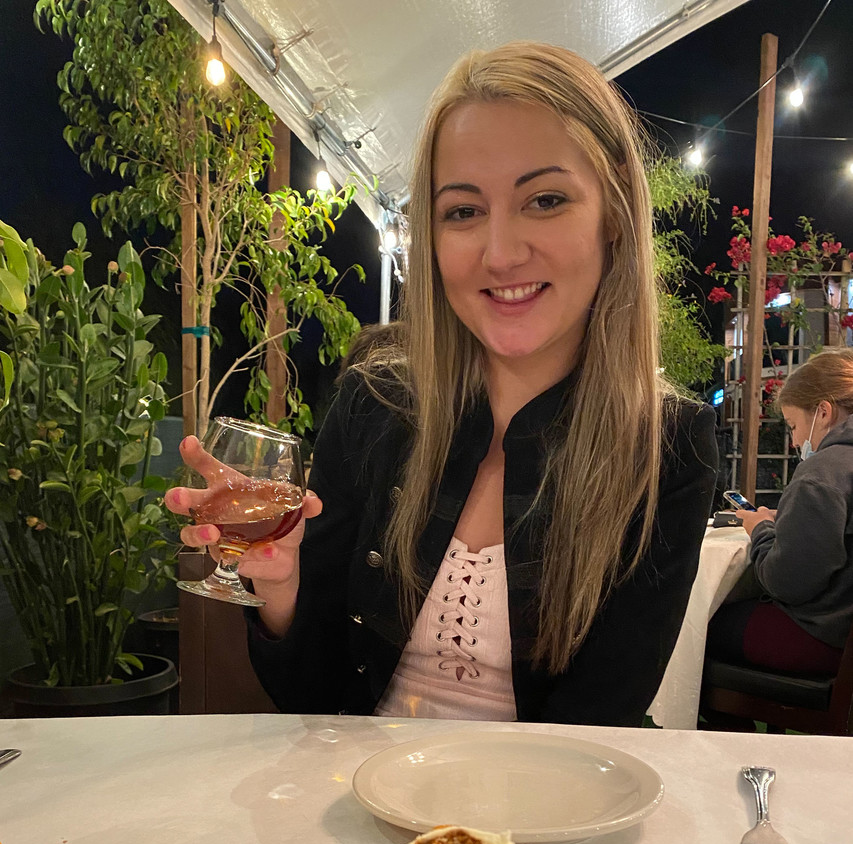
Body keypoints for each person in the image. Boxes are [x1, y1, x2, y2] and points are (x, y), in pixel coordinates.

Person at [167, 42, 717, 726]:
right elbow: (312, 700)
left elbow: (598, 720)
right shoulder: (373, 405)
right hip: (360, 783)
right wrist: (278, 584)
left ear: (615, 213)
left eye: (545, 200)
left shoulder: (667, 446)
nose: (500, 254)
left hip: (548, 793)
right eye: (462, 211)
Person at [707, 348, 853, 675]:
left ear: (823, 412)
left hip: (823, 638)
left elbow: (786, 582)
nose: (794, 441)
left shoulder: (821, 474)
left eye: (793, 425)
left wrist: (760, 528)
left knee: (695, 624)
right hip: (841, 633)